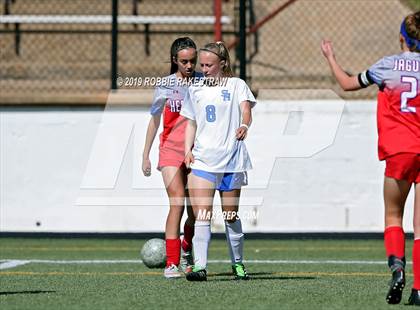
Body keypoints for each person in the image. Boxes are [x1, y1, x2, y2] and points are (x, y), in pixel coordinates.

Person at [321, 11, 420, 305]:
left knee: (393, 215)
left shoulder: (387, 65)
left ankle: (397, 268)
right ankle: (419, 291)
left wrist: (330, 58)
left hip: (399, 150)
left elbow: (348, 84)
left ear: (401, 37)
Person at [180, 41, 256, 281]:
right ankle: (200, 267)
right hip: (203, 161)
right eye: (202, 65)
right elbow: (191, 122)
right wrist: (187, 149)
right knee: (202, 215)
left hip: (231, 160)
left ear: (222, 64)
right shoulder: (195, 89)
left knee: (230, 216)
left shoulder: (236, 85)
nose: (204, 69)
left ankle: (238, 263)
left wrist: (244, 125)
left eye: (209, 65)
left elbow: (246, 110)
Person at [142, 37, 201, 278]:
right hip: (170, 149)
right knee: (176, 201)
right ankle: (172, 263)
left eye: (193, 61)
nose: (189, 65)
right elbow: (155, 118)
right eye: (184, 61)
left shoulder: (204, 81)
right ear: (175, 60)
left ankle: (187, 247)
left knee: (196, 210)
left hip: (198, 151)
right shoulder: (166, 84)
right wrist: (145, 155)